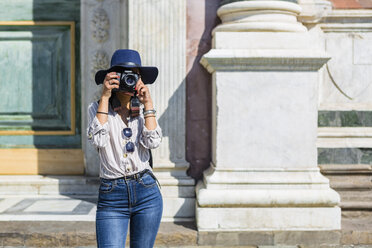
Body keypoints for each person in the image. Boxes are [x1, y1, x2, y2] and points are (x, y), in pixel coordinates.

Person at [87, 49, 163, 248]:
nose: (128, 80)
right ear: (113, 77)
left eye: (133, 75)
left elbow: (153, 142)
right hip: (112, 196)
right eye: (123, 74)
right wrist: (104, 97)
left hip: (147, 191)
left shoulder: (145, 109)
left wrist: (148, 104)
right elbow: (98, 141)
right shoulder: (96, 108)